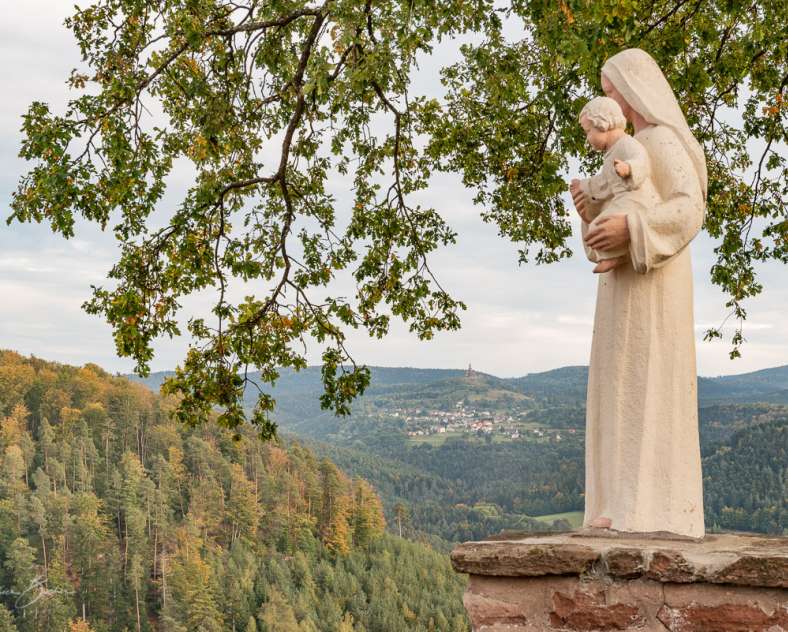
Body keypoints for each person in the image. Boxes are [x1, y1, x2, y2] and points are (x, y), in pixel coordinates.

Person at [570, 48, 708, 538]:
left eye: (614, 94)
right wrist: (590, 209)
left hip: (656, 282)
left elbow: (689, 209)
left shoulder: (661, 140)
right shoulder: (622, 149)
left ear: (634, 91)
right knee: (618, 383)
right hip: (622, 283)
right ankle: (615, 503)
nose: (614, 105)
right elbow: (612, 203)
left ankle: (651, 507)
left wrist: (632, 229)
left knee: (648, 383)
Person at [576, 96, 660, 272]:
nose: (587, 138)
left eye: (588, 131)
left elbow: (641, 160)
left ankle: (615, 256)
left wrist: (628, 168)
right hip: (622, 200)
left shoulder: (626, 144)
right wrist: (583, 186)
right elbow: (604, 182)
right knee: (593, 227)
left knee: (602, 225)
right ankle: (613, 255)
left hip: (635, 199)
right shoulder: (610, 154)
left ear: (603, 123)